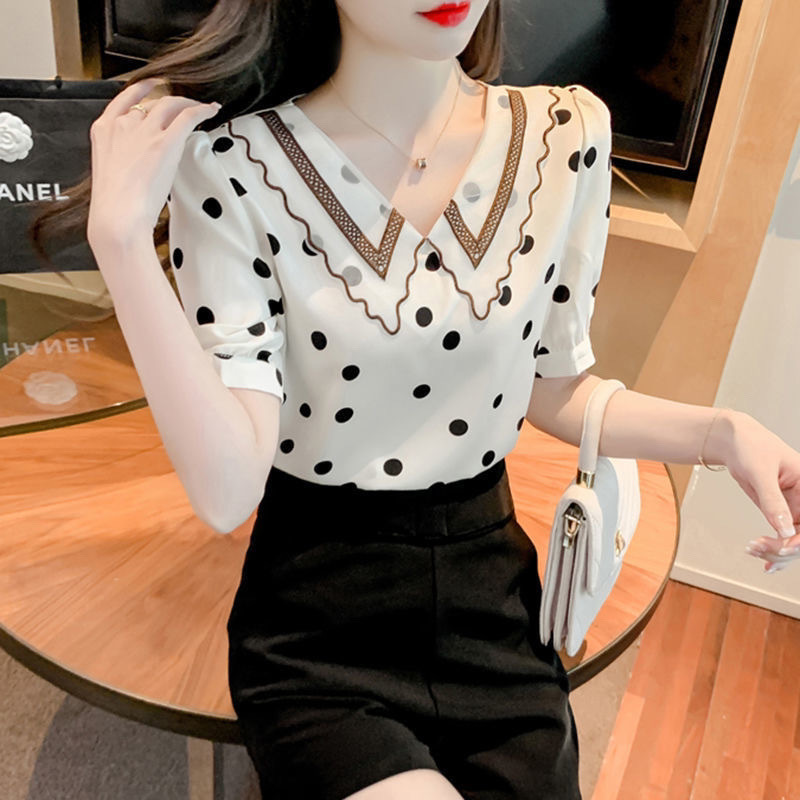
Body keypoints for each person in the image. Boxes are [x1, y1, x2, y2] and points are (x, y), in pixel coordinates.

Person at [84, 1, 800, 797]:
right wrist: (122, 246)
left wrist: (723, 432)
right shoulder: (233, 165)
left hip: (490, 598)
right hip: (320, 619)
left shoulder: (567, 137)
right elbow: (227, 493)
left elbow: (554, 388)